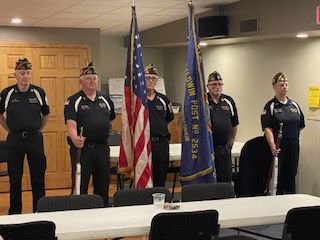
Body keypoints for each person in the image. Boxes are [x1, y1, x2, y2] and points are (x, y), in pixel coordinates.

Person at [0, 58, 50, 214]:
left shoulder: (39, 92)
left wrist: (39, 128)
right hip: (14, 141)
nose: (25, 76)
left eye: (28, 73)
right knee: (15, 180)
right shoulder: (7, 93)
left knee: (38, 178)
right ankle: (15, 213)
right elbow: (0, 114)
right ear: (15, 74)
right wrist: (9, 129)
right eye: (22, 73)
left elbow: (46, 114)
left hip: (35, 140)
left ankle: (39, 211)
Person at [64, 62, 115, 206]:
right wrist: (75, 138)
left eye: (94, 78)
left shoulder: (105, 99)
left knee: (103, 184)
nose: (92, 81)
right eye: (88, 78)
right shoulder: (74, 100)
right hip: (82, 149)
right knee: (80, 185)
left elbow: (110, 121)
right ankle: (79, 214)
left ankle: (102, 212)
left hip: (102, 148)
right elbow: (71, 124)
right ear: (81, 81)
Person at [261, 72, 305, 194]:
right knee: (277, 177)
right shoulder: (270, 106)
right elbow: (267, 128)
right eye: (281, 85)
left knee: (291, 175)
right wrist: (272, 145)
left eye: (286, 84)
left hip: (293, 144)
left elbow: (300, 125)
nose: (284, 87)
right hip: (278, 146)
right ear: (274, 87)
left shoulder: (294, 105)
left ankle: (292, 203)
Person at [145, 64, 174, 187]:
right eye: (148, 78)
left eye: (154, 78)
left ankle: (159, 203)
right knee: (144, 180)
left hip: (160, 145)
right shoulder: (138, 99)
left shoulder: (164, 100)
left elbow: (168, 120)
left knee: (160, 179)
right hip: (144, 144)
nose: (151, 81)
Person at [207, 71, 239, 183]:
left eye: (220, 84)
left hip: (224, 149)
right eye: (213, 84)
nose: (217, 87)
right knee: (210, 182)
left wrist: (230, 144)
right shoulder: (203, 101)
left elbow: (235, 124)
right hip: (208, 150)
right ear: (208, 86)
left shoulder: (229, 101)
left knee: (225, 181)